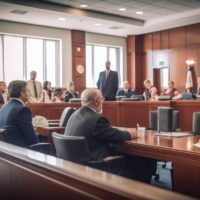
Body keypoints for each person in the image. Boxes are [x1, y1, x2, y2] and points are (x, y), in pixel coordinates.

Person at [64, 88, 156, 183]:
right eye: (101, 99)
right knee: (142, 160)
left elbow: (107, 132)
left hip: (75, 166)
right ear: (96, 102)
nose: (102, 101)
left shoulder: (74, 115)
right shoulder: (96, 119)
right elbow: (116, 136)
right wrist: (130, 133)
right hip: (94, 167)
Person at [0, 80, 39, 147]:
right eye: (27, 91)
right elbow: (33, 140)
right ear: (22, 93)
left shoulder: (4, 107)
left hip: (6, 150)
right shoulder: (22, 110)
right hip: (21, 151)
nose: (29, 94)